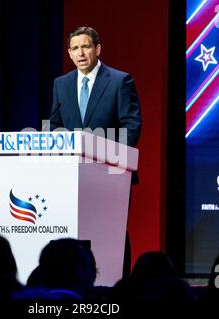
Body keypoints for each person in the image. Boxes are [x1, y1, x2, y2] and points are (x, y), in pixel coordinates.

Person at [50, 26, 142, 277]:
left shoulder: (120, 81)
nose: (80, 53)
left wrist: (109, 157)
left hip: (110, 174)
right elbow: (55, 125)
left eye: (86, 46)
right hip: (70, 174)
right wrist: (56, 135)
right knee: (75, 231)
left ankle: (118, 285)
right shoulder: (61, 84)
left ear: (97, 49)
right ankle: (75, 280)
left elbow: (131, 127)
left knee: (111, 231)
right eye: (75, 48)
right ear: (69, 53)